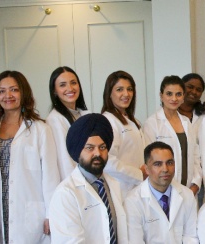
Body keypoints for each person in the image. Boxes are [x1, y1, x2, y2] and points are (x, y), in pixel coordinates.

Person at [0, 70, 61, 243]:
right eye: (2, 91)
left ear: (24, 93)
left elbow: (50, 176)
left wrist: (51, 214)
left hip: (30, 210)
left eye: (14, 89)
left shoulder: (40, 129)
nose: (8, 95)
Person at [49, 114, 129, 244]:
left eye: (102, 147)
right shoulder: (65, 194)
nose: (97, 153)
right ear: (78, 151)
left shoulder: (113, 185)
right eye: (90, 148)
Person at [124, 141, 199, 243]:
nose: (165, 169)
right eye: (158, 164)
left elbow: (191, 237)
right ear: (146, 169)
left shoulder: (187, 195)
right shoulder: (132, 201)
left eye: (169, 163)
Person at [142, 75, 202, 196]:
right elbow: (149, 161)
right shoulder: (152, 123)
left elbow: (195, 156)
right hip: (163, 190)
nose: (174, 98)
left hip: (189, 190)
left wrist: (195, 184)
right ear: (161, 95)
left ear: (183, 96)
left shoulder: (186, 123)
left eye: (178, 94)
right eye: (169, 94)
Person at [101, 70, 146, 195]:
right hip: (121, 189)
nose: (126, 94)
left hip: (137, 187)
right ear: (109, 93)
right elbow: (108, 162)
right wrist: (139, 174)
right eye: (119, 89)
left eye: (130, 89)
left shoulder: (132, 120)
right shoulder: (108, 121)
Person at [46, 66, 91, 179]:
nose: (70, 88)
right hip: (74, 183)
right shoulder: (55, 119)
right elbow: (65, 161)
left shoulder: (84, 115)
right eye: (62, 85)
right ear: (54, 91)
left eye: (73, 83)